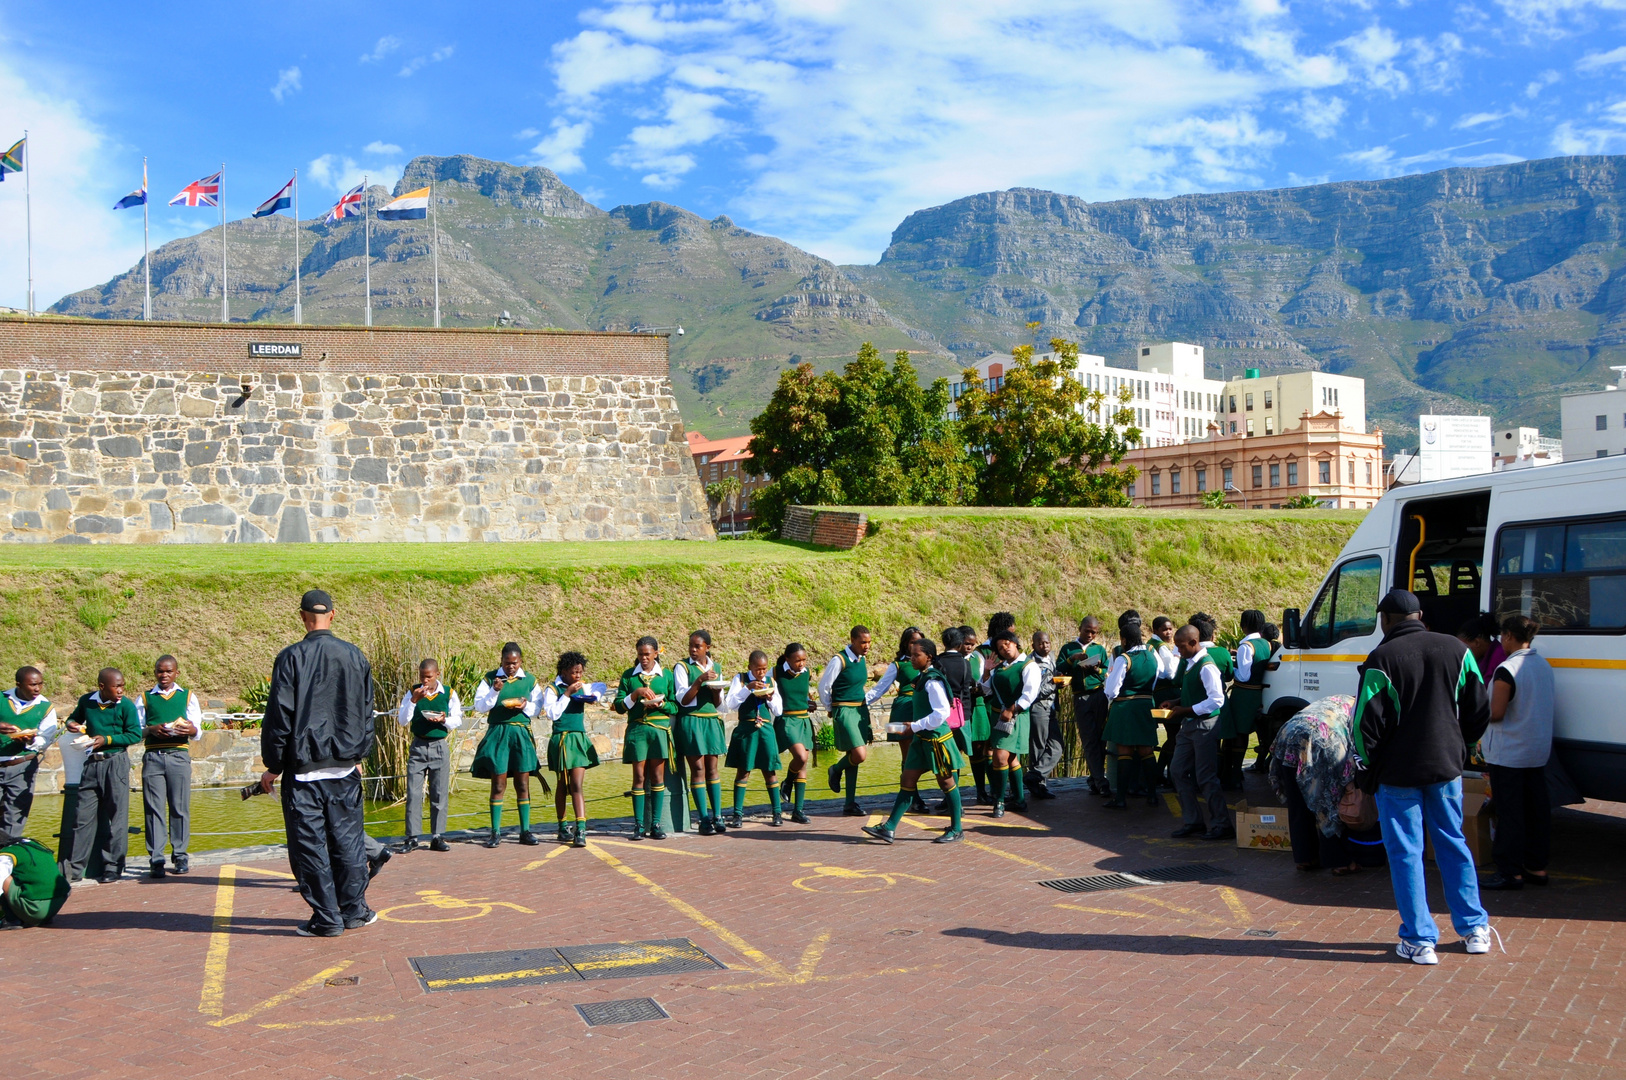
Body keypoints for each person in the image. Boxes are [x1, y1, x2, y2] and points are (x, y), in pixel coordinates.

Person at [1352, 588, 1493, 965]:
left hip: (1398, 772)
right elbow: (1479, 707)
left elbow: (1364, 726)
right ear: (1420, 615)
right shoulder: (1457, 650)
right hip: (1446, 766)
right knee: (1452, 842)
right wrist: (1460, 744)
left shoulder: (1381, 658)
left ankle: (1419, 939)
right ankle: (1474, 928)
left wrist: (1366, 770)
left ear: (1385, 620)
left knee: (1406, 853)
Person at [258, 590, 377, 937]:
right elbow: (365, 712)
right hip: (343, 767)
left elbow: (279, 716)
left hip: (304, 771)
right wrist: (358, 756)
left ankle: (327, 918)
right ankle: (354, 911)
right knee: (348, 842)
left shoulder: (291, 657)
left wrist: (274, 765)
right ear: (333, 615)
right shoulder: (355, 656)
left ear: (302, 616)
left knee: (310, 847)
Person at [861, 636, 965, 845]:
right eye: (911, 655)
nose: (912, 659)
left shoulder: (933, 681)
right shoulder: (922, 677)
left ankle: (956, 829)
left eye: (917, 655)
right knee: (907, 780)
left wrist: (914, 726)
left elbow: (942, 713)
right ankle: (889, 828)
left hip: (937, 740)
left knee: (946, 783)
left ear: (929, 657)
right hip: (922, 739)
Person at [1480, 615, 1554, 891]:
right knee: (1536, 811)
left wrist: (1475, 715)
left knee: (1510, 813)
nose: (1500, 641)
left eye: (1502, 636)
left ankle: (1509, 871)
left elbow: (1497, 712)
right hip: (1536, 751)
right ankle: (1537, 867)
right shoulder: (1543, 665)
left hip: (1508, 753)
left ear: (1509, 636)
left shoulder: (1507, 669)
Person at [1268, 695, 1383, 873]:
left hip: (1289, 734)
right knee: (1329, 802)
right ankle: (1339, 862)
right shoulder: (1363, 709)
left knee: (1297, 800)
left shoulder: (1340, 699)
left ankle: (1305, 858)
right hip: (1322, 738)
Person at [61, 668, 143, 885]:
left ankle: (113, 867)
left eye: (122, 685)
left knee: (117, 818)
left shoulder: (125, 705)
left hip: (115, 762)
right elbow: (73, 719)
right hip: (91, 764)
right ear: (102, 687)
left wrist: (105, 739)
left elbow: (134, 734)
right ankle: (75, 869)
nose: (121, 690)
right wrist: (71, 724)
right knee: (82, 817)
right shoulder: (87, 701)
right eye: (117, 686)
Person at [471, 642, 544, 848]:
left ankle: (525, 831)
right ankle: (495, 832)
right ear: (501, 661)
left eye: (514, 663)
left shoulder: (529, 680)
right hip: (499, 732)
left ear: (520, 661)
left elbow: (538, 709)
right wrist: (494, 691)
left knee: (522, 783)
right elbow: (480, 706)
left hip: (520, 733)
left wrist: (526, 705)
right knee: (499, 783)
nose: (510, 667)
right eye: (506, 663)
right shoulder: (490, 679)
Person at [135, 655, 202, 879]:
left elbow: (197, 731)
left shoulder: (188, 696)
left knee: (179, 807)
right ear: (155, 673)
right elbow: (136, 731)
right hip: (153, 756)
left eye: (168, 671)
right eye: (160, 671)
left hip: (178, 755)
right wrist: (151, 729)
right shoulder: (144, 698)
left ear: (176, 673)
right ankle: (156, 858)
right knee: (153, 809)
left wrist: (189, 730)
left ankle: (180, 854)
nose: (164, 675)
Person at [1163, 624, 1231, 837]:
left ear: (1194, 642)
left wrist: (1186, 709)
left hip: (1204, 725)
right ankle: (1193, 821)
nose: (1178, 651)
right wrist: (1176, 702)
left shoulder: (1206, 666)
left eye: (1181, 647)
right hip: (1190, 724)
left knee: (1205, 776)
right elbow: (1194, 692)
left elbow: (1217, 700)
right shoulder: (1189, 663)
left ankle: (1223, 825)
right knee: (1177, 770)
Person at [820, 625, 889, 817]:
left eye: (869, 642)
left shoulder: (862, 659)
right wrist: (830, 708)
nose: (867, 646)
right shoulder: (839, 660)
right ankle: (834, 769)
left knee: (854, 758)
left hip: (859, 710)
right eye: (862, 642)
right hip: (844, 709)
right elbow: (824, 686)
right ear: (852, 641)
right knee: (859, 754)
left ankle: (849, 803)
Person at [613, 636, 676, 841]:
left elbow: (675, 706)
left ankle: (656, 824)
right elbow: (619, 706)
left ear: (656, 653)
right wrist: (635, 694)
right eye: (640, 654)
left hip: (658, 730)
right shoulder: (629, 676)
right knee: (639, 777)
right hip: (638, 730)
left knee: (658, 778)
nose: (643, 658)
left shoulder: (665, 676)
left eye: (647, 654)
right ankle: (639, 825)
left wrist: (661, 705)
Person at [397, 658, 462, 854]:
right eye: (422, 677)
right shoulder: (412, 692)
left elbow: (457, 719)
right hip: (418, 746)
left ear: (437, 675)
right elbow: (402, 720)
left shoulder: (448, 693)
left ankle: (437, 836)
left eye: (429, 677)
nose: (425, 681)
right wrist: (414, 700)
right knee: (414, 793)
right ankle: (412, 837)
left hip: (439, 746)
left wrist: (444, 720)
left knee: (439, 793)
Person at [1100, 616, 1163, 811]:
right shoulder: (1152, 656)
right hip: (1145, 706)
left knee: (1124, 751)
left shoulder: (1124, 658)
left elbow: (1111, 690)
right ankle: (1152, 795)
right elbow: (1160, 675)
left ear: (1124, 640)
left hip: (1125, 708)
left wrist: (1107, 681)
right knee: (1146, 751)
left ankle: (1120, 798)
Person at [542, 651, 601, 848]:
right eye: (574, 672)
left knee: (576, 783)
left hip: (577, 738)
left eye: (580, 672)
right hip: (561, 739)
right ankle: (562, 826)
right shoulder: (552, 689)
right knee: (562, 784)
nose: (578, 677)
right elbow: (552, 713)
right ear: (564, 672)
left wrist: (594, 696)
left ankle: (581, 829)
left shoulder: (582, 687)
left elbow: (599, 686)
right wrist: (567, 694)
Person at [983, 630, 1042, 817]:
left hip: (1015, 716)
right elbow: (986, 689)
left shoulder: (1029, 665)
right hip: (998, 716)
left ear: (1016, 643)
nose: (1005, 648)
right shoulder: (1000, 667)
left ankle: (999, 801)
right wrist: (986, 671)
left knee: (1000, 756)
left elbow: (1030, 693)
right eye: (1000, 647)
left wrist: (1012, 709)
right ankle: (1019, 800)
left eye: (1007, 643)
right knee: (1010, 758)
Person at [723, 650, 784, 827]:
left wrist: (771, 697)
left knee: (769, 770)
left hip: (765, 729)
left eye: (764, 669)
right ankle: (737, 815)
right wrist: (748, 689)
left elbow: (778, 711)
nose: (761, 673)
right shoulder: (740, 679)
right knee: (743, 771)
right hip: (746, 729)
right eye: (758, 669)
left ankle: (777, 812)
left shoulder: (771, 681)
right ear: (750, 667)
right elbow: (731, 704)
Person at [1218, 610, 1274, 790]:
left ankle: (1233, 774)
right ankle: (1234, 773)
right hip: (1257, 692)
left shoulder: (1246, 646)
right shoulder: (1267, 644)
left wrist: (1230, 667)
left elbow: (1243, 675)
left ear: (1243, 626)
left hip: (1243, 693)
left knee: (1237, 733)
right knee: (1243, 733)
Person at [1056, 617, 1110, 796]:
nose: (1090, 635)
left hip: (1099, 694)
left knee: (1102, 739)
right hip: (1080, 697)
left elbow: (1106, 672)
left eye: (1094, 632)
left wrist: (1096, 670)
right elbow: (1060, 668)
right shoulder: (1068, 648)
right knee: (1089, 739)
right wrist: (1073, 659)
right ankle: (1100, 782)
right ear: (1080, 629)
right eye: (1087, 631)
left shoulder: (1099, 649)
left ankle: (1095, 778)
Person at [0, 666, 57, 837]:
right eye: (32, 685)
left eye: (40, 684)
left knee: (15, 816)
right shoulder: (3, 699)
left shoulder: (45, 707)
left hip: (22, 765)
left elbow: (46, 738)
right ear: (18, 684)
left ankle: (7, 857)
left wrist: (32, 741)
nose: (37, 689)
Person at [878, 628, 927, 813]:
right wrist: (862, 702)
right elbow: (881, 687)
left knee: (924, 754)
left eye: (920, 642)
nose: (916, 645)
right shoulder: (898, 664)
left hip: (922, 710)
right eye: (913, 642)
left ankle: (910, 794)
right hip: (903, 710)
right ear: (906, 643)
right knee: (907, 756)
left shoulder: (929, 663)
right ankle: (912, 797)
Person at [774, 643, 816, 825]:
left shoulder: (806, 673)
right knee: (800, 757)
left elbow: (803, 695)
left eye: (804, 659)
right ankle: (788, 783)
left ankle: (798, 810)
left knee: (803, 764)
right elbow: (768, 691)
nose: (801, 663)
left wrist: (809, 703)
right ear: (787, 659)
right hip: (787, 720)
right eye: (797, 660)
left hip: (804, 719)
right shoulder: (776, 672)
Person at [0, 830, 69, 930]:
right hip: (55, 905)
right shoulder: (31, 844)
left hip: (36, 909)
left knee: (4, 878)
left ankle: (12, 920)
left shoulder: (5, 856)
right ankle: (43, 917)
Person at [1025, 631, 1061, 800]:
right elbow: (1035, 691)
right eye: (1040, 643)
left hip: (1051, 707)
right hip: (1038, 707)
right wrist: (1054, 684)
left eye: (1047, 643)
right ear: (1033, 645)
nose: (1044, 646)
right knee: (1038, 747)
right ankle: (1039, 787)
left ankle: (1034, 775)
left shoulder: (1052, 657)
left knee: (1057, 746)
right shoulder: (1031, 664)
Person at [1149, 617, 1182, 789]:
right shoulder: (1161, 647)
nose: (1168, 633)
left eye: (1170, 629)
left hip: (1161, 693)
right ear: (1155, 630)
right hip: (1167, 693)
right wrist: (1177, 657)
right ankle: (1164, 772)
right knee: (1174, 734)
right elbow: (1170, 672)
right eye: (1164, 629)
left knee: (1173, 736)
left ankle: (1161, 772)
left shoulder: (1152, 645)